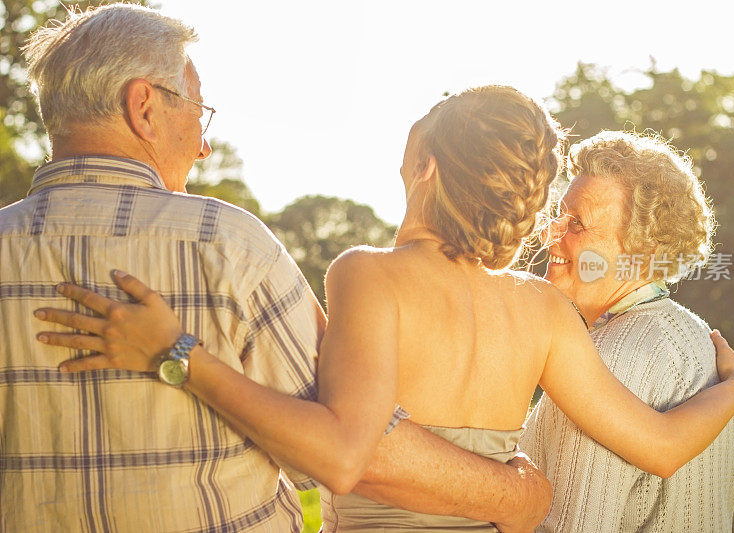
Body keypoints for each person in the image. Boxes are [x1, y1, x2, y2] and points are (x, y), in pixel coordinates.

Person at [36, 85, 734, 531]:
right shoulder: (542, 311)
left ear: (428, 168)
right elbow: (659, 447)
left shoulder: (366, 276)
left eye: (408, 156)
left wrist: (179, 354)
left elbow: (345, 454)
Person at [0, 5, 553, 532]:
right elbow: (354, 448)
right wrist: (519, 496)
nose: (204, 146)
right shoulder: (228, 246)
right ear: (144, 107)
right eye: (197, 108)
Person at [519, 130, 734, 532]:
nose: (549, 235)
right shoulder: (697, 335)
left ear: (639, 253)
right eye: (559, 216)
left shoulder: (601, 360)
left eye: (576, 223)